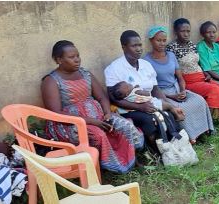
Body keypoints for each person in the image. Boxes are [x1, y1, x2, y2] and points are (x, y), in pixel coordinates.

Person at [42, 40, 143, 174]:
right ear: (59, 59)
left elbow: (101, 97)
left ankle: (129, 161)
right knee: (98, 135)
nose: (77, 60)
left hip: (99, 116)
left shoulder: (86, 74)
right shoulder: (51, 81)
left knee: (125, 126)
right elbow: (56, 113)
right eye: (72, 57)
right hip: (70, 124)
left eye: (78, 56)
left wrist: (107, 113)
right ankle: (106, 169)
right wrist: (92, 122)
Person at [105, 30, 181, 155]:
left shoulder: (146, 65)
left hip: (149, 103)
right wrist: (140, 107)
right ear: (124, 47)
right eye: (134, 46)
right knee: (149, 120)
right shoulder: (114, 69)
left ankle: (176, 147)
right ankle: (157, 153)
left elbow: (155, 89)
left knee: (168, 114)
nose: (139, 49)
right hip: (128, 108)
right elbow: (114, 98)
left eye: (140, 45)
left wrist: (167, 103)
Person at [143, 25, 215, 144]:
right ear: (151, 41)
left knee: (199, 100)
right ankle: (191, 137)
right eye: (158, 40)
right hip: (162, 93)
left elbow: (180, 77)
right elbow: (153, 88)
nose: (162, 43)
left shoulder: (171, 55)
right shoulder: (146, 61)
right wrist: (172, 96)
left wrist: (182, 90)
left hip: (177, 89)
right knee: (182, 108)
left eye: (164, 40)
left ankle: (204, 131)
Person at [166, 18, 219, 120]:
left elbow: (197, 63)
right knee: (214, 89)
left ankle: (217, 119)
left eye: (188, 31)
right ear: (176, 32)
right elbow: (173, 70)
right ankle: (209, 121)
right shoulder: (172, 48)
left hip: (201, 77)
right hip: (188, 81)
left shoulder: (191, 45)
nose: (186, 34)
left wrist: (206, 74)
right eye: (183, 31)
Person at [111, 81, 185, 121]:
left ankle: (175, 111)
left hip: (147, 106)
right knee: (169, 106)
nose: (129, 84)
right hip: (152, 104)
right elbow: (147, 94)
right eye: (127, 86)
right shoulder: (135, 92)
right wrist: (139, 89)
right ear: (127, 93)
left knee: (164, 102)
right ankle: (177, 116)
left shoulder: (127, 98)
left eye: (127, 83)